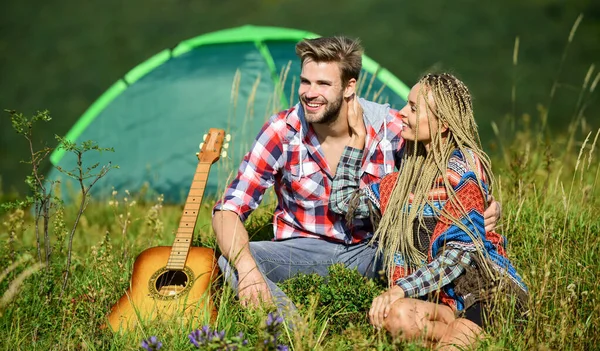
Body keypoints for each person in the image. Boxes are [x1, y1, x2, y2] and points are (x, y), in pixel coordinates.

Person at [211, 37, 501, 318]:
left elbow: (448, 165)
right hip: (304, 251)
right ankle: (291, 332)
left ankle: (461, 314)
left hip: (379, 250)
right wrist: (249, 271)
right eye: (305, 81)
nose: (310, 93)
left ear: (350, 87)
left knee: (427, 245)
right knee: (233, 260)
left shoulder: (392, 129)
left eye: (323, 84)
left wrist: (482, 205)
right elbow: (229, 209)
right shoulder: (282, 131)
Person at [329, 73, 528, 349]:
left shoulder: (464, 170)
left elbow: (460, 253)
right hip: (443, 301)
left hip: (485, 292)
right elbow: (342, 202)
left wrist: (400, 288)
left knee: (451, 340)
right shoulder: (401, 185)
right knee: (395, 315)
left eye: (413, 108)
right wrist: (356, 140)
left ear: (443, 123)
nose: (402, 113)